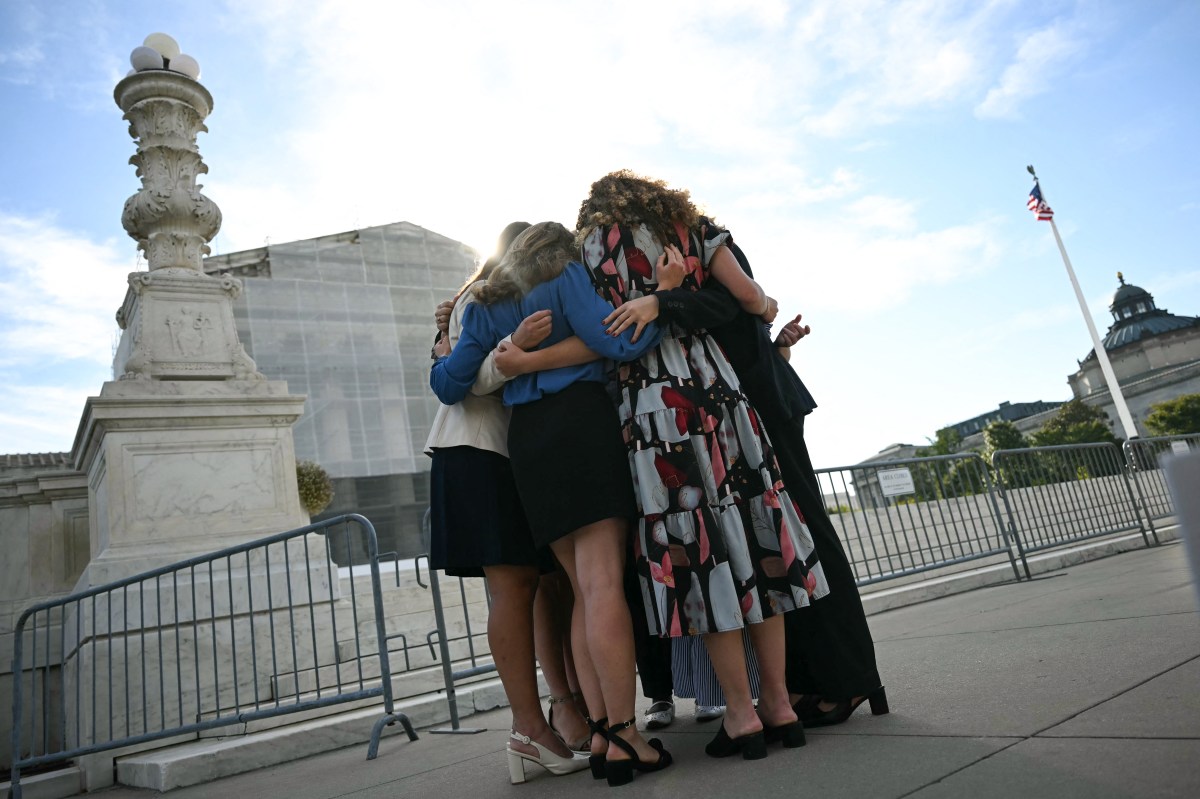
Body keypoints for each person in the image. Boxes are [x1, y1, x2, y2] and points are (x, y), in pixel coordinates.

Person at [572, 170, 828, 760]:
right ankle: (779, 705)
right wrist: (758, 303)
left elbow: (597, 336)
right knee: (757, 539)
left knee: (698, 554)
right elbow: (745, 298)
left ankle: (740, 714)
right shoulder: (690, 228)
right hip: (718, 391)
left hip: (652, 408)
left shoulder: (585, 254)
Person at [601, 217, 889, 726]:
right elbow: (744, 305)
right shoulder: (689, 253)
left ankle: (849, 680)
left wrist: (670, 300)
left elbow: (746, 299)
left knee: (804, 539)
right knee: (787, 542)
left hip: (757, 402)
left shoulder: (698, 240)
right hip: (749, 401)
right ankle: (812, 683)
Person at [431, 221, 675, 787]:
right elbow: (618, 341)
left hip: (527, 442)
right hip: (579, 426)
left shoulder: (484, 304)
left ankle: (600, 734)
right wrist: (663, 299)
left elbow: (449, 385)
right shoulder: (564, 276)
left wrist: (445, 349)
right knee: (601, 585)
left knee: (580, 593)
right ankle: (626, 737)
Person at [425, 222, 590, 784]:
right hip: (479, 450)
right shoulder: (486, 296)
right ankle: (529, 728)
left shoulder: (486, 298)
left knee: (525, 586)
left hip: (498, 451)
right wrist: (512, 350)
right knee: (514, 588)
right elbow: (463, 382)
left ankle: (546, 721)